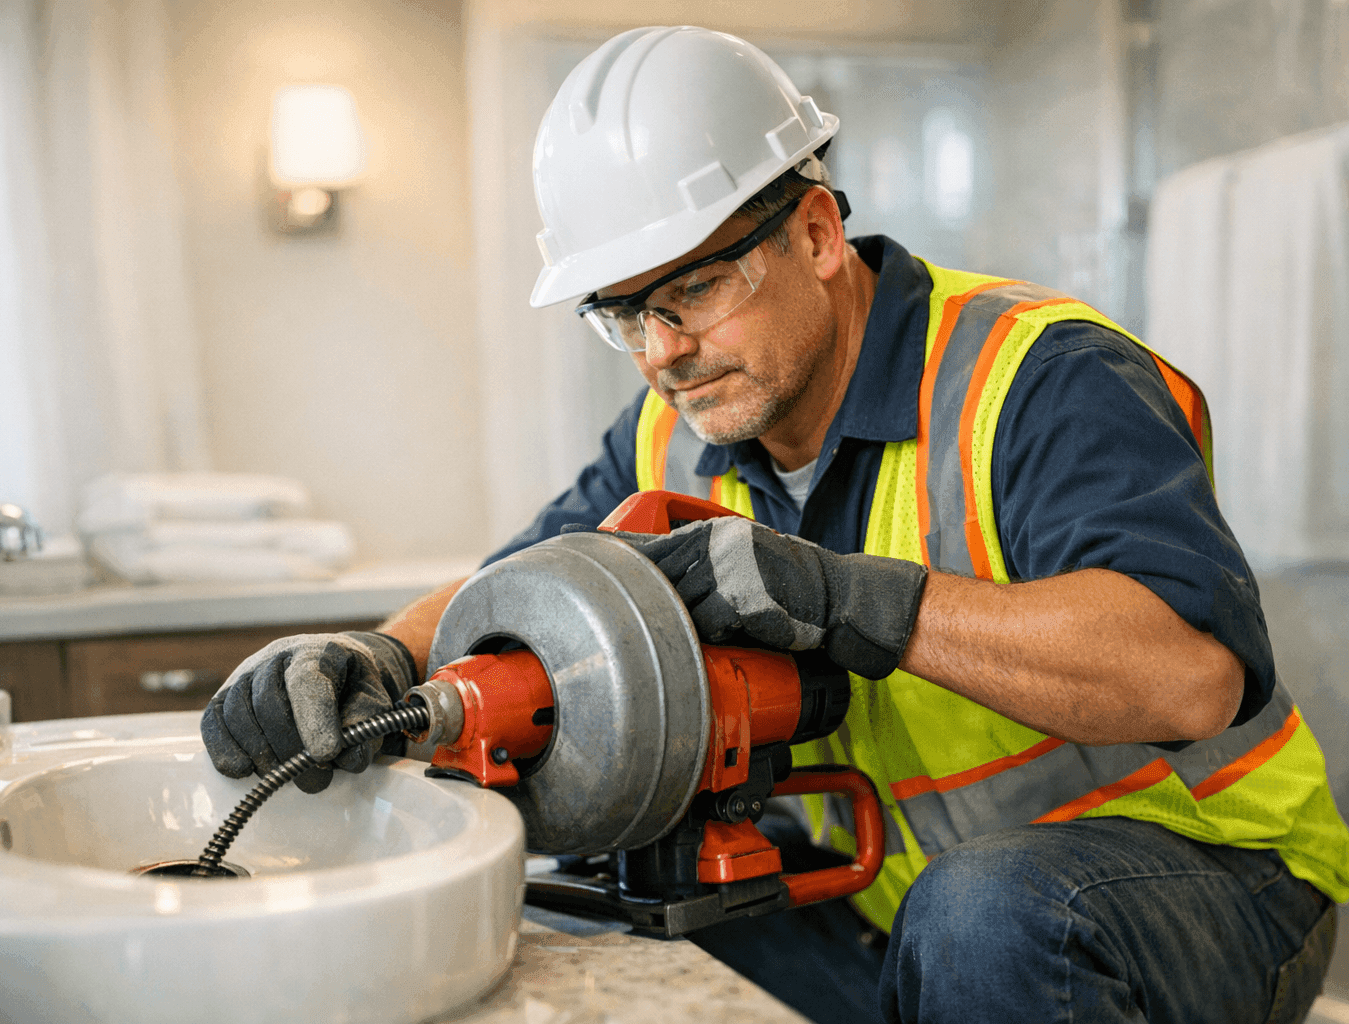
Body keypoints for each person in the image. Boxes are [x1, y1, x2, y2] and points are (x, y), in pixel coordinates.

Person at [201, 25, 1349, 1024]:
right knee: (617, 925)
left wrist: (846, 596)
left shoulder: (1039, 376)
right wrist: (376, 656)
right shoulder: (671, 430)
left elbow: (1185, 677)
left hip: (1214, 879)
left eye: (690, 292)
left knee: (990, 918)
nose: (660, 355)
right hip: (903, 902)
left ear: (812, 235)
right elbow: (523, 589)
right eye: (624, 316)